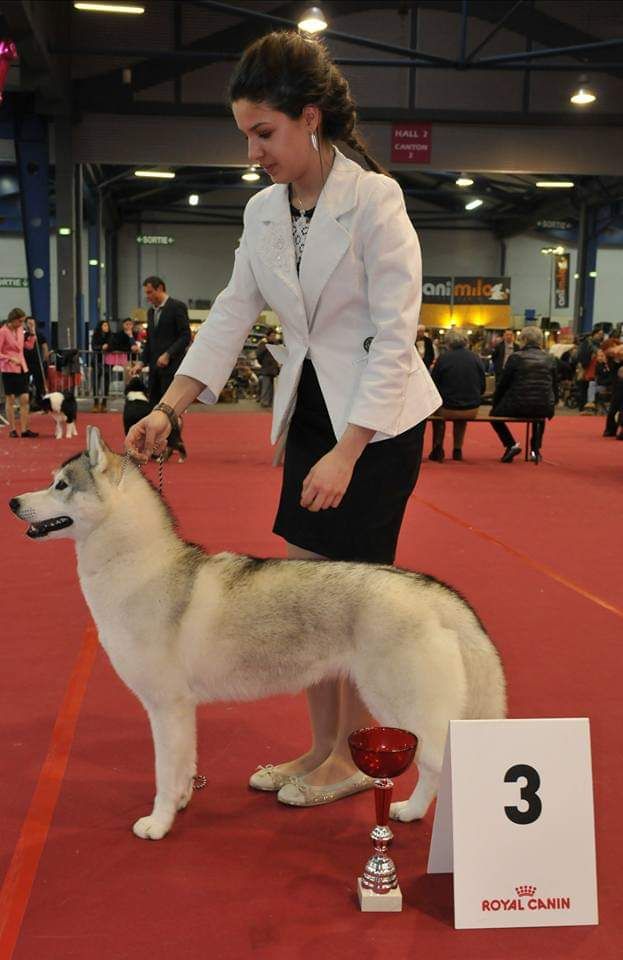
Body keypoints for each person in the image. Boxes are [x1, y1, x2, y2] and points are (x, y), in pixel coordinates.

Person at [126, 30, 441, 808]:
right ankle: (320, 746)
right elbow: (231, 313)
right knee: (305, 598)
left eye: (263, 133)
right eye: (245, 135)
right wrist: (168, 407)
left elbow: (394, 337)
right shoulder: (263, 211)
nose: (252, 153)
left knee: (352, 602)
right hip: (307, 414)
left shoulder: (375, 200)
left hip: (377, 426)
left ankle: (353, 757)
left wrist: (348, 451)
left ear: (309, 118)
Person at [489, 326, 558, 464]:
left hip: (518, 405)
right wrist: (552, 403)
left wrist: (495, 403)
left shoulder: (516, 357)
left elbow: (503, 384)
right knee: (539, 417)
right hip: (543, 405)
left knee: (493, 416)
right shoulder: (550, 358)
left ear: (524, 340)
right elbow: (554, 385)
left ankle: (511, 444)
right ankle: (535, 450)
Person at [429, 328, 485, 462]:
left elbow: (433, 385)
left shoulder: (443, 359)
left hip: (447, 409)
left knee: (436, 412)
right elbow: (482, 386)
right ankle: (457, 449)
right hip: (471, 409)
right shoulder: (475, 358)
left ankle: (438, 447)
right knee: (461, 418)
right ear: (466, 341)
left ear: (448, 342)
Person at [135, 277, 191, 406]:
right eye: (146, 293)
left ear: (160, 288)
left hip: (172, 369)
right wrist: (141, 362)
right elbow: (150, 341)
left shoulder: (177, 307)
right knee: (154, 408)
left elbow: (185, 336)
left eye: (150, 292)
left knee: (170, 409)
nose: (147, 296)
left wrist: (168, 354)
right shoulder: (150, 312)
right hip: (154, 371)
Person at [0, 307, 38, 437]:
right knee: (10, 399)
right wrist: (9, 358)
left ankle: (24, 429)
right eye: (20, 321)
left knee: (25, 398)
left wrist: (32, 331)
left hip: (22, 367)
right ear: (13, 320)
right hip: (8, 369)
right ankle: (12, 429)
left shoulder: (20, 330)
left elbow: (29, 346)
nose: (22, 324)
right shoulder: (3, 332)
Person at [23, 316, 49, 406]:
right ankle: (27, 401)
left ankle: (39, 401)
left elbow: (44, 346)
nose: (31, 325)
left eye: (32, 324)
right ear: (25, 324)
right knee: (25, 382)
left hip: (37, 362)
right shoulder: (23, 335)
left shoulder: (39, 334)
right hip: (25, 362)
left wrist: (45, 359)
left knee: (39, 382)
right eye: (29, 323)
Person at [256, 329, 281, 407]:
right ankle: (264, 402)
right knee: (266, 387)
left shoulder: (276, 344)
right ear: (267, 336)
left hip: (274, 369)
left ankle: (271, 402)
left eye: (274, 336)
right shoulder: (263, 345)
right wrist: (264, 364)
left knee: (273, 388)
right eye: (272, 336)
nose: (274, 337)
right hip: (266, 369)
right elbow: (259, 356)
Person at [91, 319, 112, 413]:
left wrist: (109, 346)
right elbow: (94, 346)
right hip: (97, 361)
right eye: (104, 325)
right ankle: (96, 403)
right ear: (100, 327)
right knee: (96, 383)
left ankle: (104, 403)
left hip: (108, 362)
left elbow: (114, 345)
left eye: (107, 325)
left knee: (107, 383)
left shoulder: (111, 336)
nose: (106, 327)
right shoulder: (95, 336)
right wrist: (101, 347)